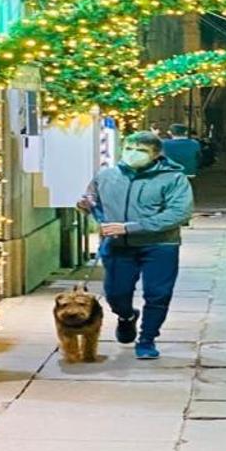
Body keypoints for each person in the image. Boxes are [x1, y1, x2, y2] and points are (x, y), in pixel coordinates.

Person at [76, 131, 193, 359]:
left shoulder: (173, 179)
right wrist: (86, 205)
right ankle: (126, 316)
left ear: (156, 154)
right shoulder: (107, 175)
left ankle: (147, 339)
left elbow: (179, 213)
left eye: (141, 151)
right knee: (116, 293)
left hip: (160, 244)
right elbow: (92, 198)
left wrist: (130, 227)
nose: (133, 154)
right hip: (118, 245)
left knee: (158, 293)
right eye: (130, 148)